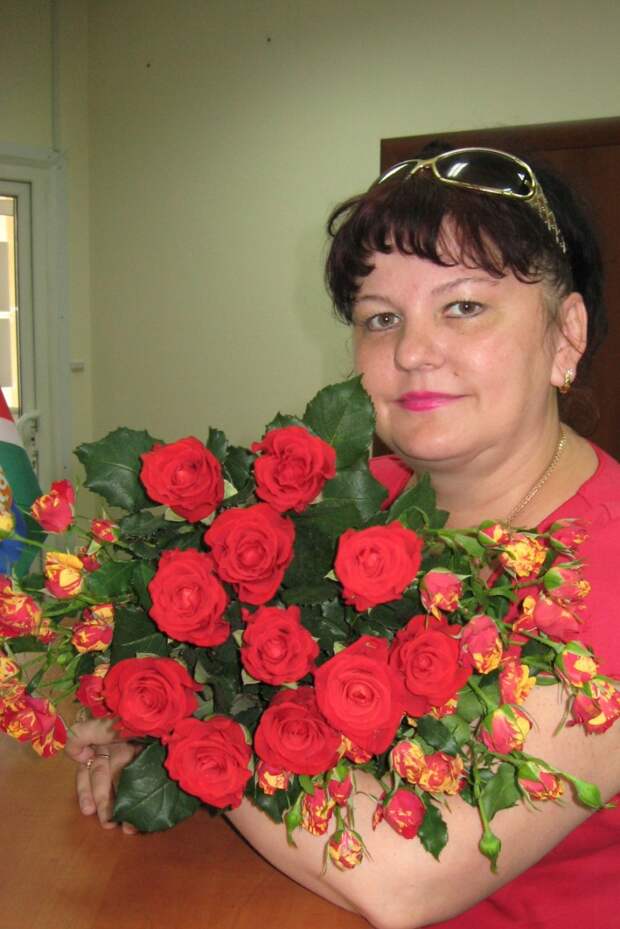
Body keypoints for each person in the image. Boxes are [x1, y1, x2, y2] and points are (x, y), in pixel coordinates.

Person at [66, 145, 620, 929]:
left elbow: (403, 876)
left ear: (566, 335)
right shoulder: (354, 504)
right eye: (381, 318)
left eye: (464, 306)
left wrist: (175, 724)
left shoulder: (606, 571)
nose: (412, 351)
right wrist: (148, 735)